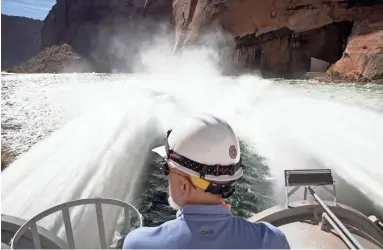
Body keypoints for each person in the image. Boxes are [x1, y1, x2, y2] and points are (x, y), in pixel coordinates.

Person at [123, 114, 290, 249]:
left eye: (167, 170)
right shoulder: (272, 240)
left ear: (184, 185)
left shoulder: (138, 244)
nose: (167, 178)